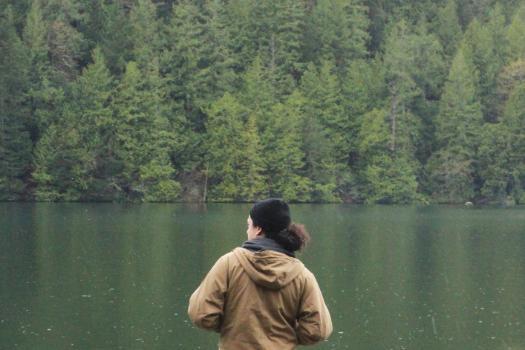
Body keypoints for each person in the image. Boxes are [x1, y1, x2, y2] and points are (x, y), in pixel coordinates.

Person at [188, 198, 333, 349]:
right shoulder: (302, 275)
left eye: (248, 225)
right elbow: (318, 329)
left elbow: (201, 314)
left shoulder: (229, 263)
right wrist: (286, 335)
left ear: (258, 229)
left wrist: (231, 326)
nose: (247, 230)